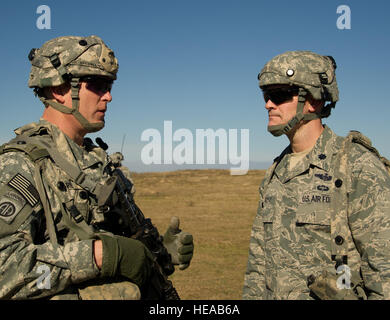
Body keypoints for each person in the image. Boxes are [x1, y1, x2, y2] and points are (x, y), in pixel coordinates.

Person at [0, 35, 194, 300]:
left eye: (110, 85)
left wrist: (160, 252)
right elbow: (5, 268)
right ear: (59, 88)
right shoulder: (20, 165)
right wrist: (102, 255)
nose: (109, 96)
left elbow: (127, 241)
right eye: (98, 84)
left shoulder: (99, 163)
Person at [242, 50, 390, 300]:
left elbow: (384, 276)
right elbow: (258, 269)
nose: (268, 104)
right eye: (267, 96)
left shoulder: (357, 167)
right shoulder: (275, 174)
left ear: (313, 101)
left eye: (279, 95)